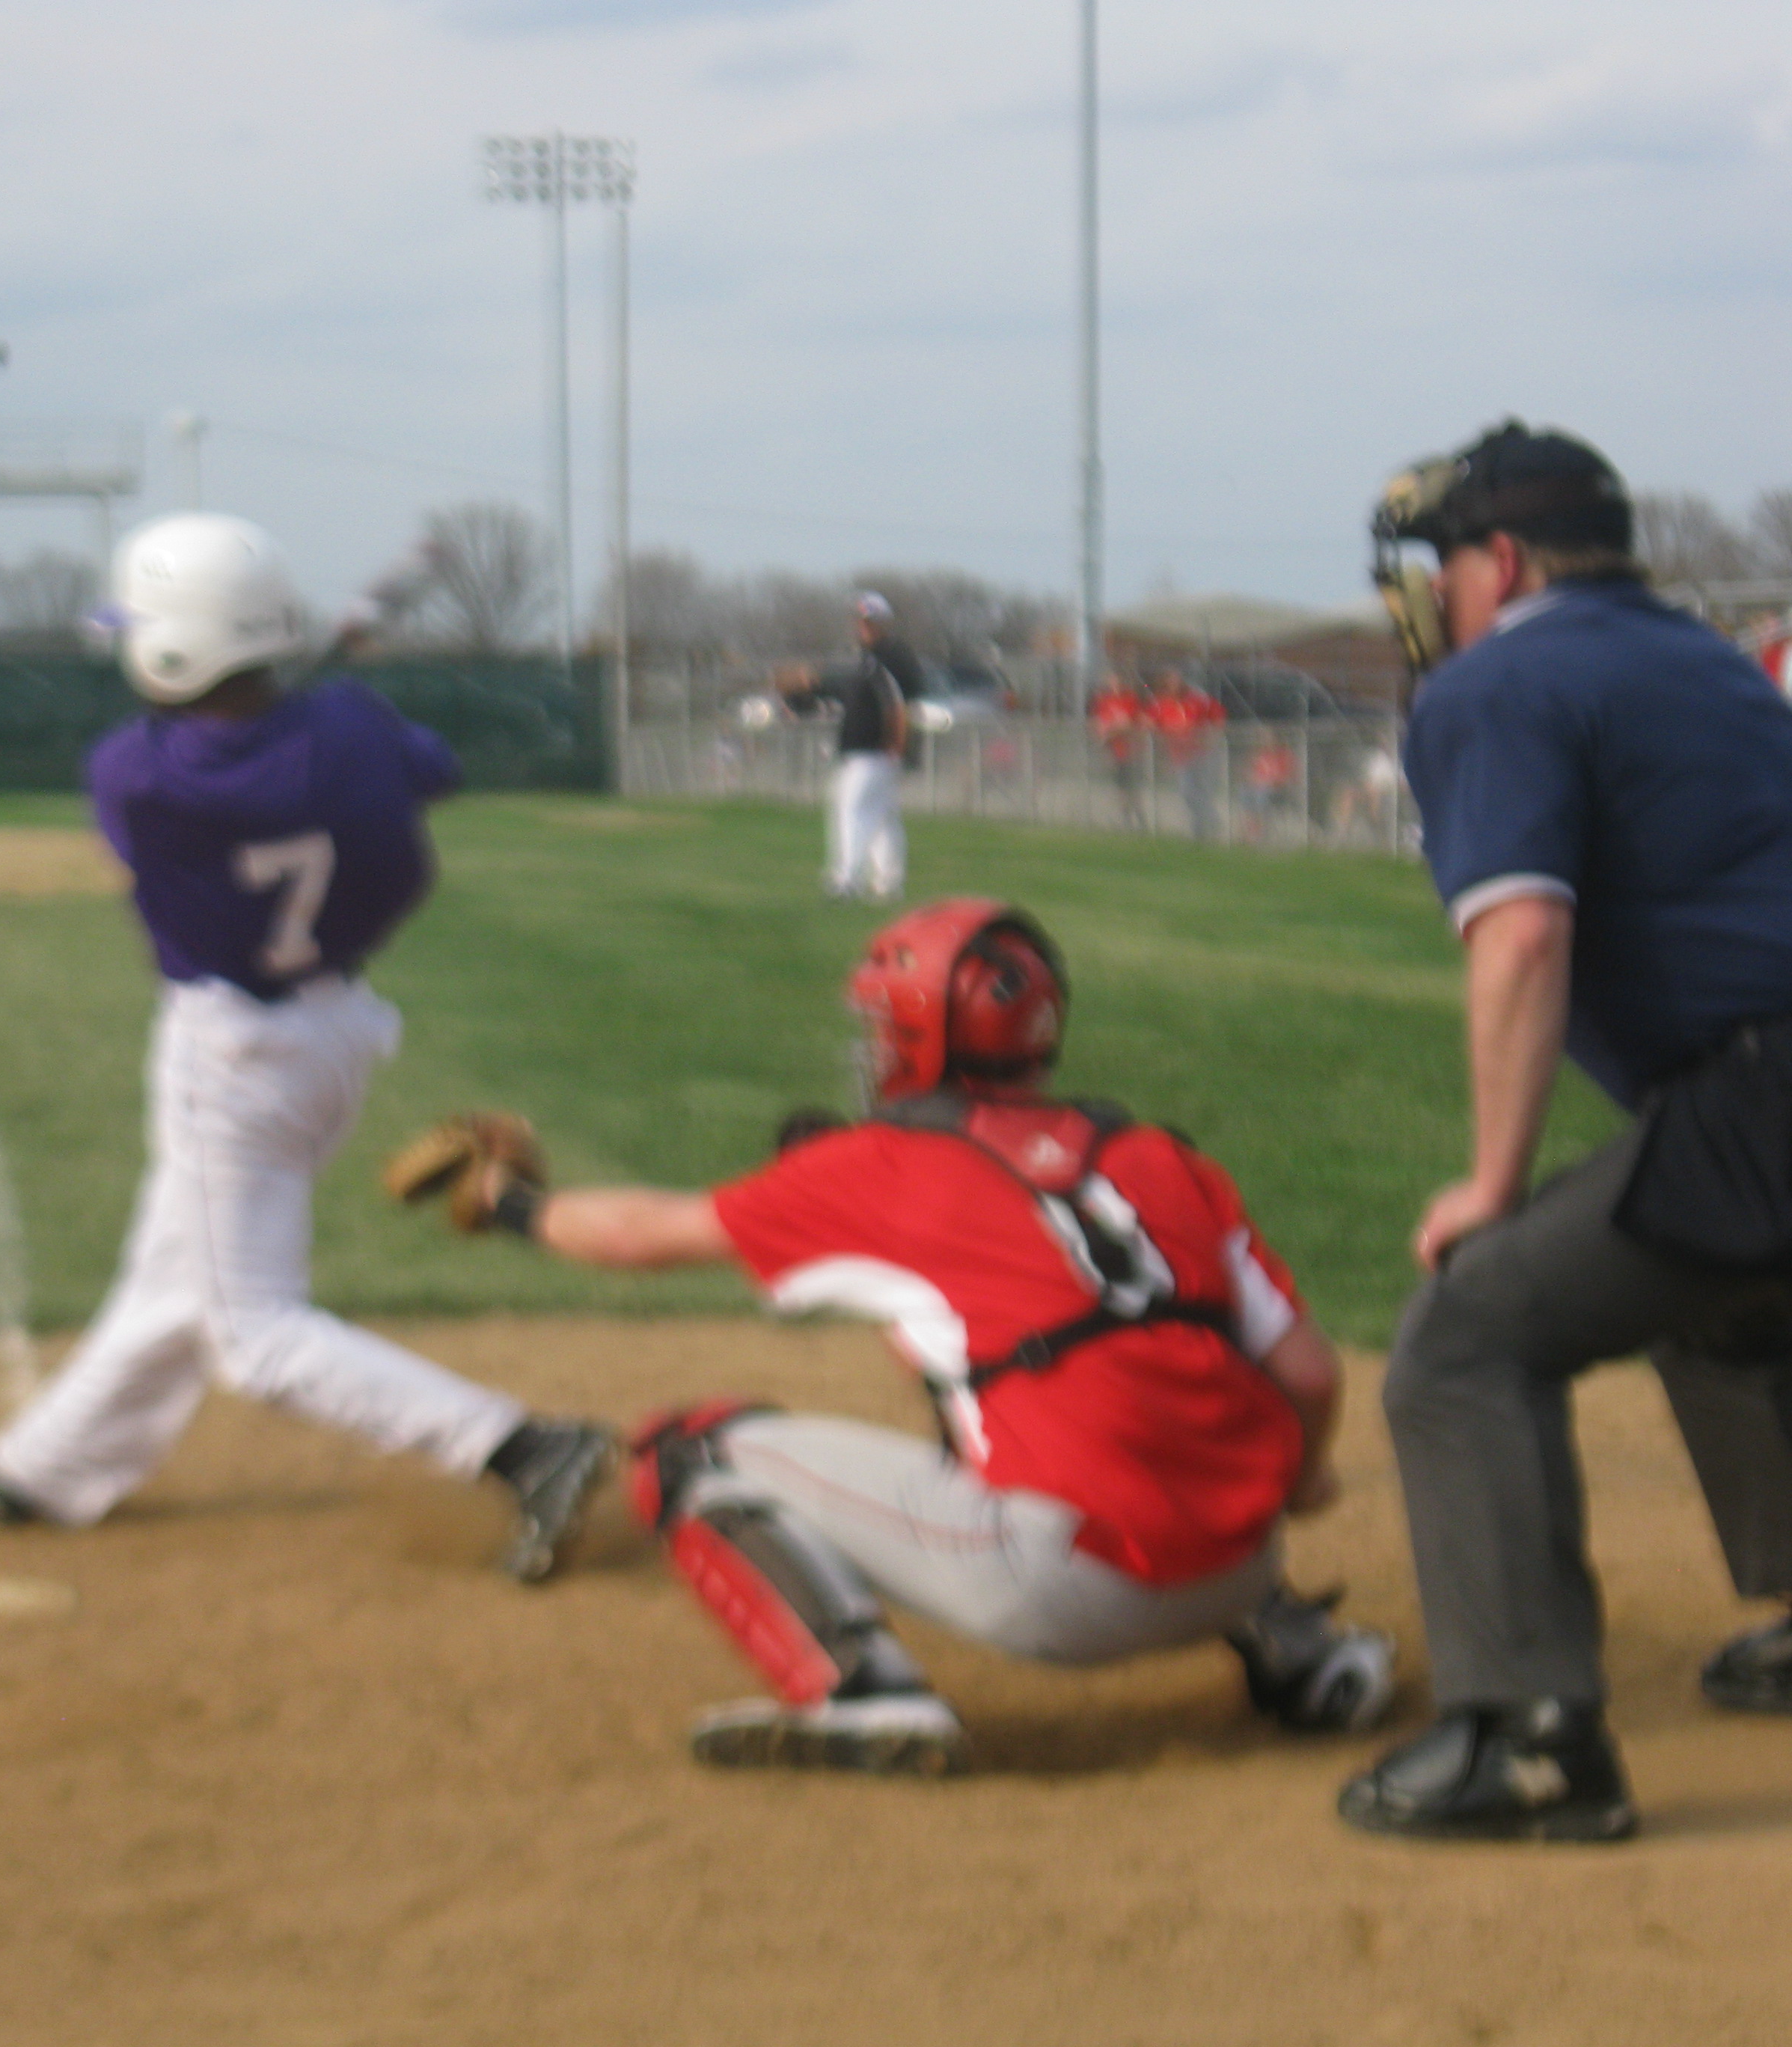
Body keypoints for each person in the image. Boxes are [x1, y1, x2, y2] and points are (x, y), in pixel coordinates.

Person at [397, 899, 1393, 1772]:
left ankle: (863, 1693)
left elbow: (641, 1236)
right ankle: (1296, 1647)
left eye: (882, 1022)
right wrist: (1302, 1482)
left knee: (685, 1450)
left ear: (920, 1037)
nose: (870, 1041)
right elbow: (1305, 1372)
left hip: (1066, 1593)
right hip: (1244, 1559)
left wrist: (511, 1201)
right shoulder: (1159, 1156)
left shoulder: (885, 1162)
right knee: (1114, 1385)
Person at [0, 513, 613, 1582]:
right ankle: (41, 1471)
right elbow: (433, 769)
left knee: (251, 1331)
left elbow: (192, 744)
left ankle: (523, 1447)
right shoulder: (351, 725)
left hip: (228, 1056)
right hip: (334, 1035)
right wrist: (331, 716)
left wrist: (300, 710)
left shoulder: (135, 778)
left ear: (168, 650)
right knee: (175, 1270)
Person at [1345, 421, 1792, 1844]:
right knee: (1703, 1283)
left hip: (1763, 1098)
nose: (1428, 593)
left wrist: (1489, 1185)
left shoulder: (1499, 683)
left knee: (1463, 1336)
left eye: (1441, 561)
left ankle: (1528, 1740)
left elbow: (1523, 939)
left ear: (1502, 559)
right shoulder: (1709, 659)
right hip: (1749, 1102)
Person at [777, 591, 919, 900]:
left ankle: (846, 880)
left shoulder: (888, 658)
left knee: (851, 809)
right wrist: (808, 688)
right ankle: (888, 883)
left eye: (870, 621)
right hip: (867, 752)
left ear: (884, 623)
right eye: (860, 621)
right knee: (881, 817)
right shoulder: (866, 660)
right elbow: (843, 698)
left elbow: (897, 704)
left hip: (876, 751)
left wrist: (897, 744)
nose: (863, 627)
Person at [1146, 665, 1226, 841]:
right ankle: (1208, 821)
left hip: (1202, 754)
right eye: (1171, 683)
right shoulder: (1162, 704)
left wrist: (1210, 739)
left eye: (1178, 682)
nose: (1175, 686)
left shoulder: (1198, 700)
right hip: (1180, 757)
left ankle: (1202, 827)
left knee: (1202, 791)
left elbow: (1218, 719)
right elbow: (1150, 725)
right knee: (1187, 792)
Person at [1088, 670, 1148, 830]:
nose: (1115, 686)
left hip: (1130, 751)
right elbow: (1099, 724)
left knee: (1132, 788)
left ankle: (1140, 819)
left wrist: (1112, 731)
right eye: (1112, 682)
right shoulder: (1104, 701)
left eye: (1118, 682)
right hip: (1113, 751)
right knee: (1120, 788)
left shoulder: (1131, 700)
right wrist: (1104, 734)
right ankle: (1126, 820)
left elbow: (1129, 724)